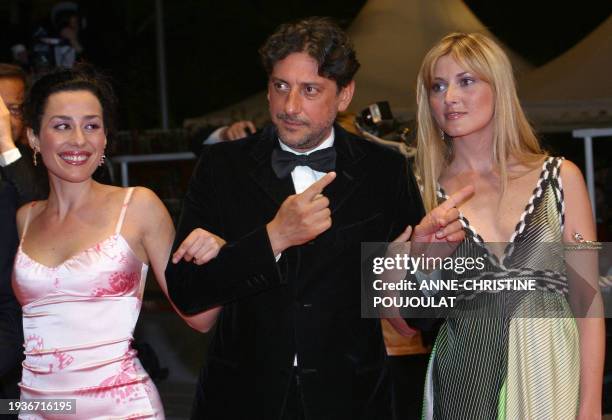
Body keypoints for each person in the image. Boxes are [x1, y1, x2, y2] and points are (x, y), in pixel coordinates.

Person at [166, 17, 469, 420]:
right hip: (240, 399)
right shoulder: (222, 167)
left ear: (344, 95)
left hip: (353, 401)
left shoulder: (384, 170)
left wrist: (427, 260)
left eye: (310, 90)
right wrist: (273, 238)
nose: (290, 107)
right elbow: (187, 292)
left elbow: (415, 321)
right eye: (280, 87)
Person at [11, 66, 221, 419]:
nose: (79, 139)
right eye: (62, 125)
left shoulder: (138, 206)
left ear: (105, 137)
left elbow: (200, 317)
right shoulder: (25, 218)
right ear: (33, 137)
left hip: (122, 409)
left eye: (91, 126)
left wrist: (219, 256)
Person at [414, 32, 605, 419]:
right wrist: (419, 261)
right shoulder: (419, 188)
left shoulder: (560, 178)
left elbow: (588, 302)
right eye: (438, 85)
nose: (449, 96)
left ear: (498, 87)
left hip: (551, 378)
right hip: (462, 383)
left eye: (466, 81)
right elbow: (401, 310)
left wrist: (590, 404)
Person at [0, 64, 46, 417]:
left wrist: (4, 144)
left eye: (12, 108)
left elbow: (35, 214)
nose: (3, 116)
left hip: (17, 335)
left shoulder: (36, 161)